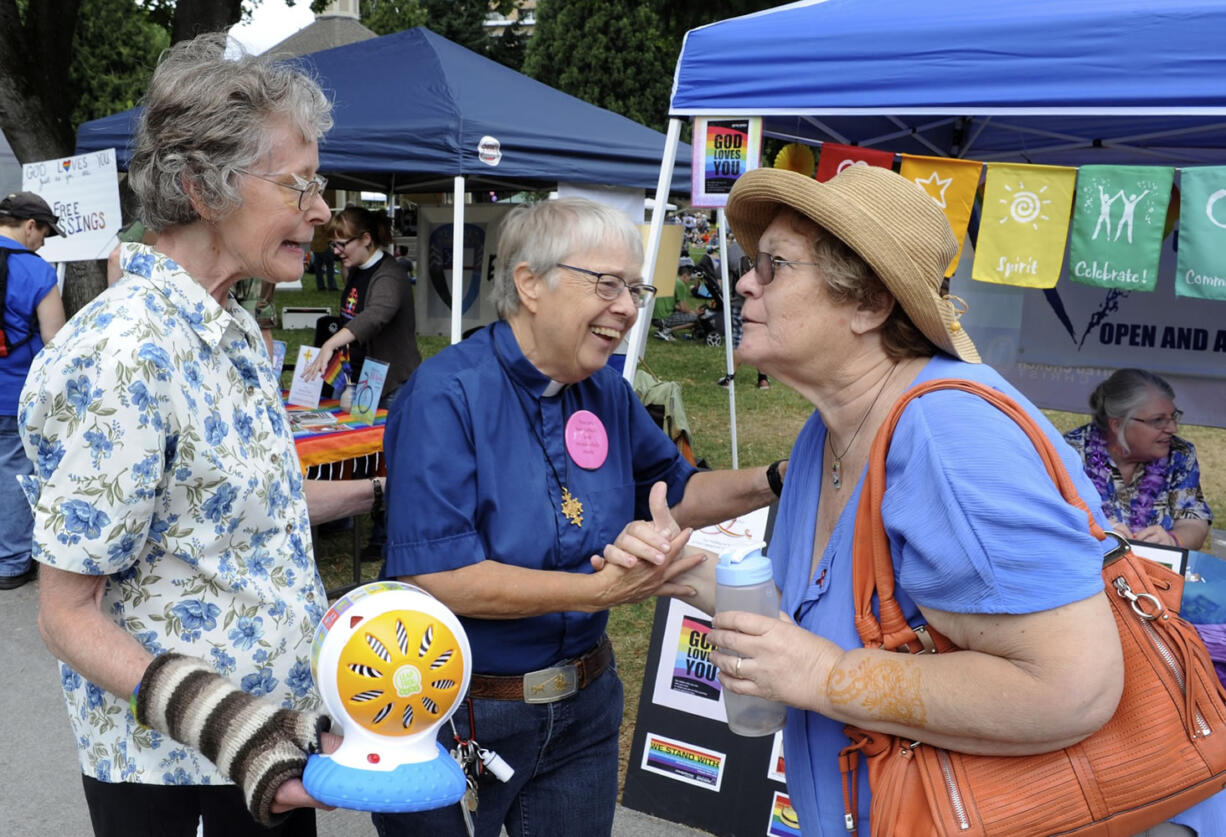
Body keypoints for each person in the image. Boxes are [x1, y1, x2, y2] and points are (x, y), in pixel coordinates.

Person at [605, 165, 1223, 835]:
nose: (746, 282)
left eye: (775, 266)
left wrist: (829, 676)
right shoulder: (826, 433)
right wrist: (690, 575)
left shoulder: (948, 435)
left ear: (869, 304)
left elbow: (1072, 688)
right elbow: (811, 629)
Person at [17, 34, 380, 837]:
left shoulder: (236, 330)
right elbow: (64, 613)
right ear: (200, 188)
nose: (321, 211)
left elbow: (247, 512)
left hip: (267, 748)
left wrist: (388, 488)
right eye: (299, 185)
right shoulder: (123, 354)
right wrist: (233, 729)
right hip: (175, 771)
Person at [375, 197, 782, 837]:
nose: (626, 306)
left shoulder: (606, 391)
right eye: (608, 284)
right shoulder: (446, 395)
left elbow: (678, 490)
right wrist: (599, 591)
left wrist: (777, 479)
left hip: (584, 707)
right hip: (464, 713)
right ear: (529, 283)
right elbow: (442, 577)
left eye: (635, 289)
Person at [1064, 368, 1212, 549]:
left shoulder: (1179, 454)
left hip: (1154, 573)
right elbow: (1049, 519)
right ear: (1117, 424)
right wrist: (1094, 529)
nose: (1172, 428)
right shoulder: (1069, 452)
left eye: (1173, 417)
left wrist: (1173, 540)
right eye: (1158, 420)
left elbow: (1194, 519)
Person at [0, 191, 66, 590]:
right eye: (44, 233)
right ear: (29, 226)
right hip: (13, 394)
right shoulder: (38, 272)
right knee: (13, 473)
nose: (42, 242)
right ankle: (9, 563)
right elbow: (54, 339)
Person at [302, 205, 421, 409]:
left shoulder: (390, 275)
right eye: (333, 245)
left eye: (341, 245)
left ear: (366, 239)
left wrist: (329, 344)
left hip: (388, 388)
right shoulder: (357, 268)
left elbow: (375, 316)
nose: (337, 252)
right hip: (353, 380)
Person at [652, 256, 707, 340]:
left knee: (686, 314)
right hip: (664, 317)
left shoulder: (670, 280)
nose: (689, 280)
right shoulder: (680, 285)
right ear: (685, 276)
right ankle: (666, 331)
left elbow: (673, 305)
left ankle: (663, 328)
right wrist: (693, 312)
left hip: (654, 318)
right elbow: (683, 308)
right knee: (698, 319)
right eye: (689, 277)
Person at [309, 218, 338, 291]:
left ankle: (320, 286)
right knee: (330, 267)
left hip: (315, 246)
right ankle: (332, 286)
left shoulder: (312, 219)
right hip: (325, 245)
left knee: (318, 268)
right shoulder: (324, 219)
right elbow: (329, 230)